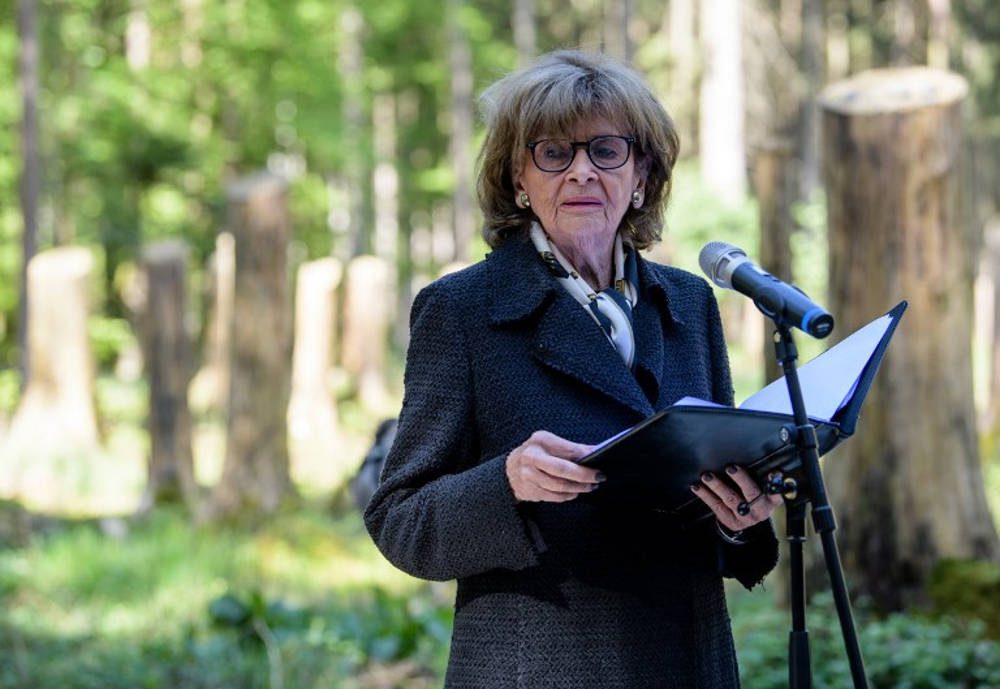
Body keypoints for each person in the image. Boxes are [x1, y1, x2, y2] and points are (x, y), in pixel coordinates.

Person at [364, 49, 782, 689]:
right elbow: (400, 519)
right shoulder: (462, 310)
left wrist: (744, 518)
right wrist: (505, 481)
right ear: (518, 179)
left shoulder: (689, 302)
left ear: (641, 173)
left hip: (687, 659)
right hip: (538, 667)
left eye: (607, 150)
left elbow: (718, 480)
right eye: (554, 153)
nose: (583, 171)